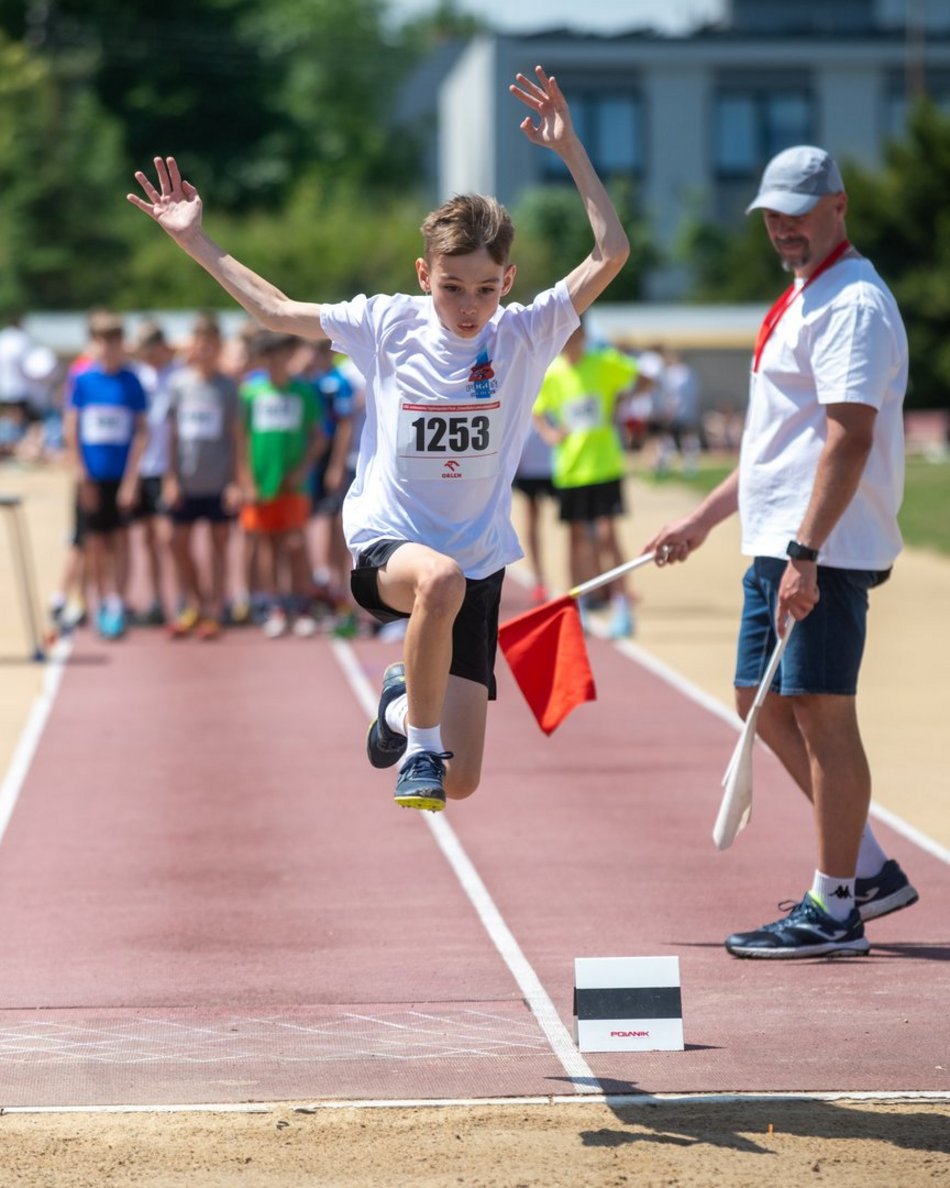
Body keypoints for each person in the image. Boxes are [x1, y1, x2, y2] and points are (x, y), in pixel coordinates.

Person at [127, 65, 630, 812]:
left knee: (466, 781)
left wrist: (572, 154)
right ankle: (418, 752)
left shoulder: (527, 334)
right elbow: (274, 311)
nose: (468, 306)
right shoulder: (386, 324)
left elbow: (610, 253)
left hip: (478, 558)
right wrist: (196, 240)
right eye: (452, 287)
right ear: (424, 274)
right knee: (437, 587)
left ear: (509, 279)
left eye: (486, 289)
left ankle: (402, 708)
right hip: (386, 546)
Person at [646, 145, 918, 959]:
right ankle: (865, 870)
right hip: (781, 542)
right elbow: (775, 447)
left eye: (799, 210)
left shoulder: (852, 304)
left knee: (822, 712)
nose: (783, 227)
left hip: (819, 549)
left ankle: (836, 909)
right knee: (753, 698)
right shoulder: (805, 294)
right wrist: (702, 519)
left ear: (839, 205)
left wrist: (806, 549)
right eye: (772, 213)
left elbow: (849, 436)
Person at [533, 323, 638, 638]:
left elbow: (639, 379)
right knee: (576, 538)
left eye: (575, 337)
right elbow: (536, 410)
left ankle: (622, 602)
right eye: (563, 338)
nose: (570, 344)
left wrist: (617, 406)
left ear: (584, 337)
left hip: (604, 465)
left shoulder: (603, 362)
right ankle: (576, 604)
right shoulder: (553, 374)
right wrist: (551, 433)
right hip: (571, 468)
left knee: (608, 535)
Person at [63, 310, 147, 640]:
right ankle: (99, 600)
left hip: (120, 475)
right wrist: (80, 473)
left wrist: (131, 480)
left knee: (121, 540)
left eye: (114, 341)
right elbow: (72, 429)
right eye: (101, 341)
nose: (108, 348)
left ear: (121, 344)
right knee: (95, 542)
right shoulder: (82, 381)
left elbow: (140, 433)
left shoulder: (132, 381)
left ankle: (118, 601)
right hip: (92, 476)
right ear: (93, 344)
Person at [237, 330, 325, 639]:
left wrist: (302, 469)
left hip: (294, 482)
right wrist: (245, 480)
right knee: (266, 544)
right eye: (270, 357)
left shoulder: (303, 392)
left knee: (295, 543)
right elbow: (241, 439)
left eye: (282, 356)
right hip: (262, 482)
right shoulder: (251, 393)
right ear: (263, 359)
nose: (277, 362)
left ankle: (300, 605)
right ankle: (274, 605)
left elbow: (318, 436)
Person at [164, 313, 243, 639]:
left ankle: (214, 609)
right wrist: (169, 478)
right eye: (199, 342)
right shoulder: (178, 384)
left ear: (218, 347)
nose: (204, 349)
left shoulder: (227, 387)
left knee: (218, 547)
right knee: (176, 543)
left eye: (211, 344)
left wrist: (237, 482)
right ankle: (194, 603)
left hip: (218, 480)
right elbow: (170, 435)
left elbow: (238, 437)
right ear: (192, 346)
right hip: (185, 479)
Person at [129, 320, 180, 625]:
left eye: (152, 347)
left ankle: (181, 598)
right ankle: (157, 600)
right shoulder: (137, 376)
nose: (148, 354)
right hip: (141, 466)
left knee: (169, 539)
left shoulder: (178, 374)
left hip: (168, 467)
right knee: (147, 540)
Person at [512, 411, 556, 605]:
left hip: (559, 457)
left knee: (575, 526)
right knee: (532, 518)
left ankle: (585, 580)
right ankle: (539, 578)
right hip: (528, 458)